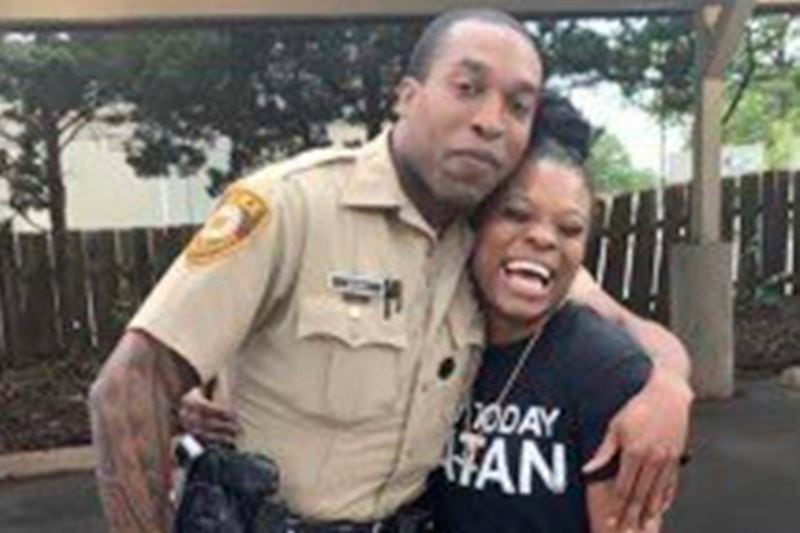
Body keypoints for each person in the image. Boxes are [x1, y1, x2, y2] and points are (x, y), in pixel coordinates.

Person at [88, 8, 692, 533]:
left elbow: (629, 325)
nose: (491, 119)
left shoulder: (491, 243)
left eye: (518, 104)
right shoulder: (293, 205)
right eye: (467, 87)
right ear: (407, 96)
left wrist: (669, 389)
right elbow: (127, 390)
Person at [427, 93, 662, 533]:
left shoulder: (605, 370)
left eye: (569, 228)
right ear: (476, 226)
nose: (543, 238)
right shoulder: (439, 339)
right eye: (515, 214)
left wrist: (668, 382)